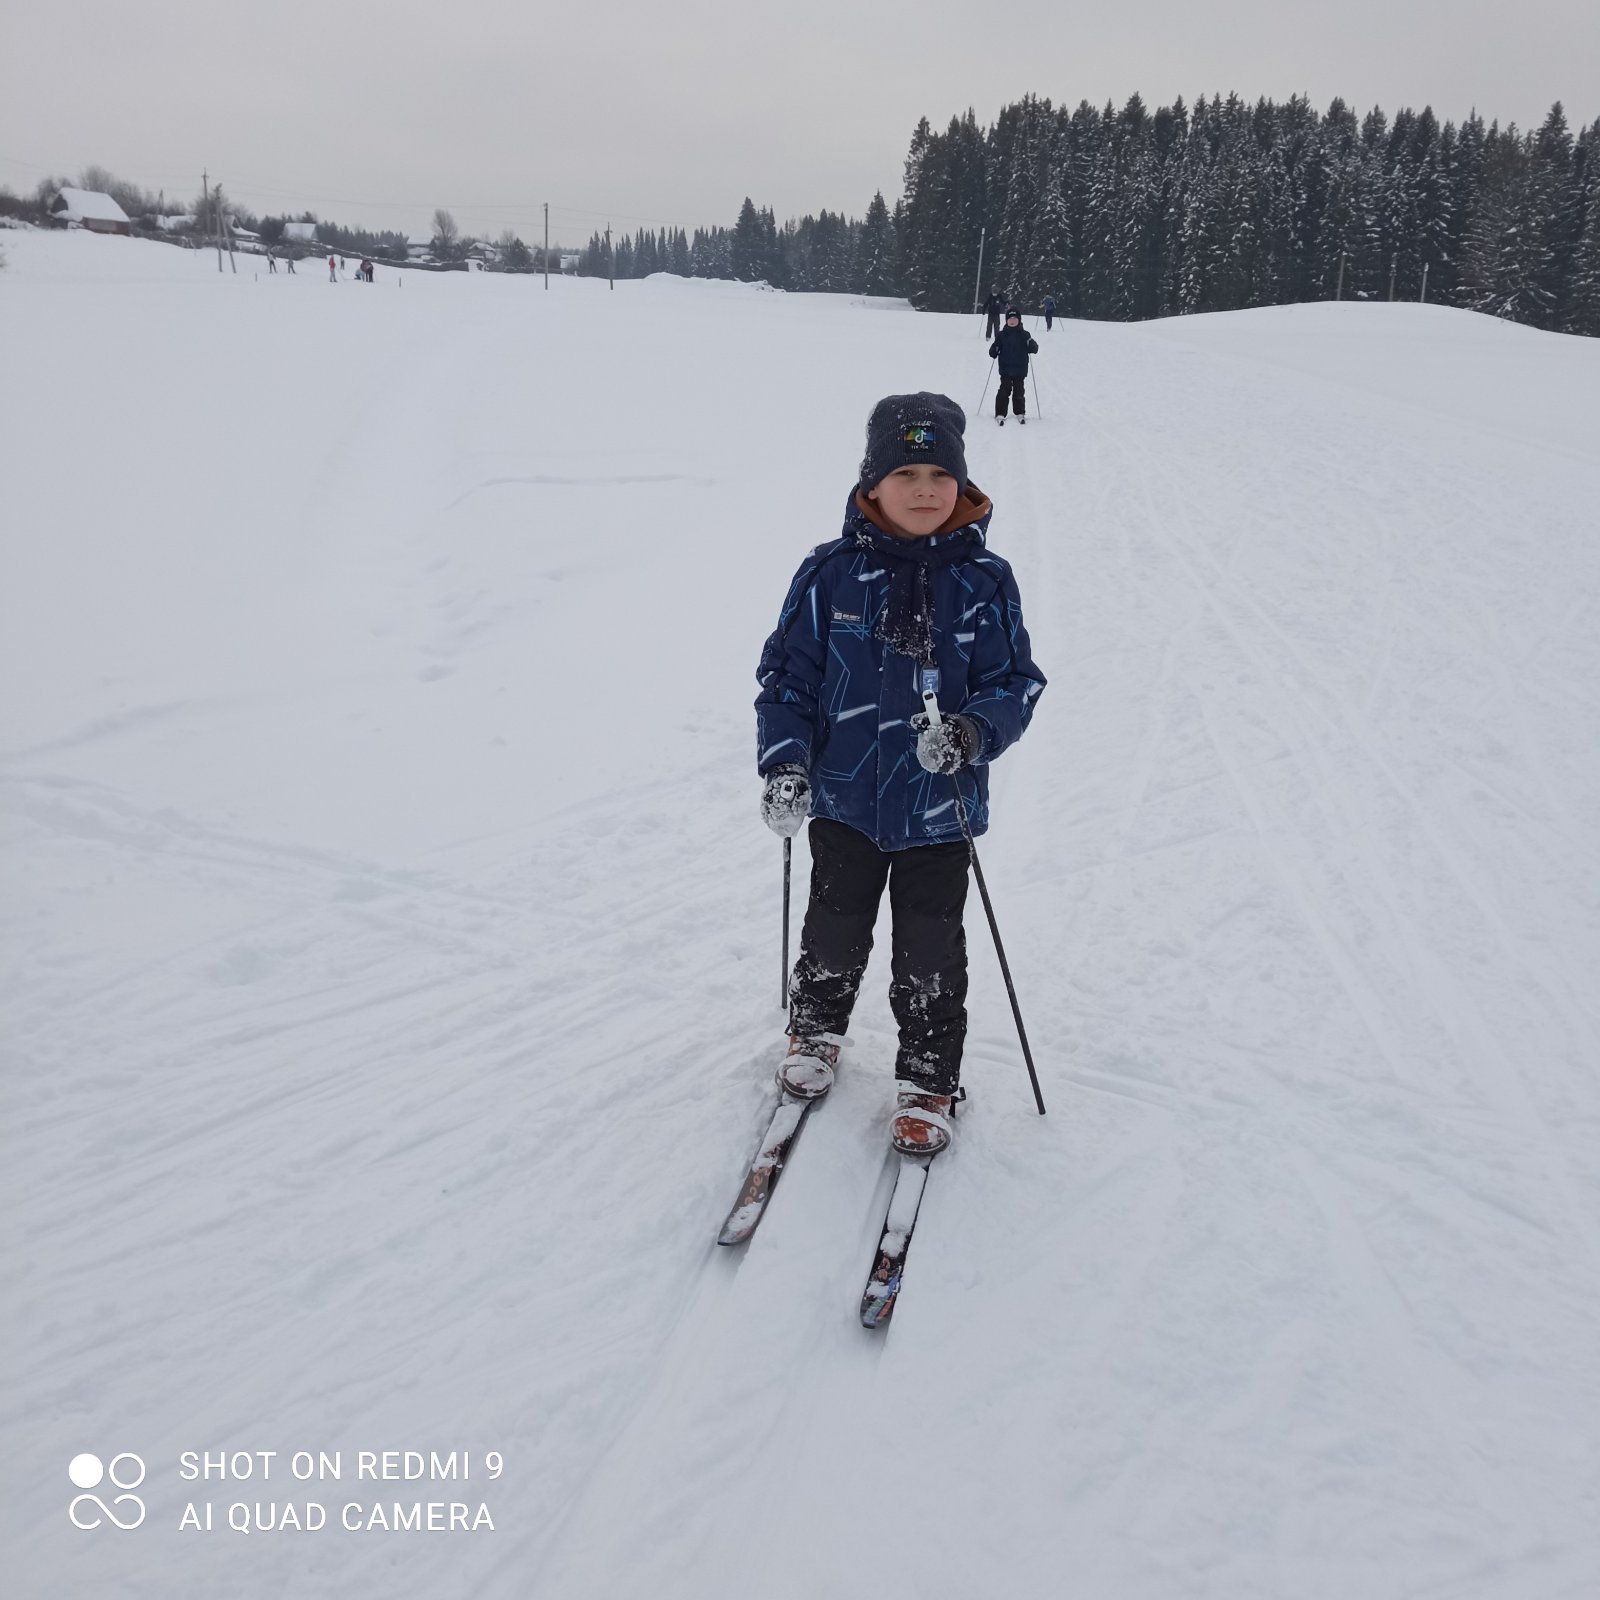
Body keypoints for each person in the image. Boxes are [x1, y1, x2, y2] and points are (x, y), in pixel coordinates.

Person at [755, 393, 1046, 1155]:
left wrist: (974, 731)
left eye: (939, 473)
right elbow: (786, 680)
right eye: (906, 472)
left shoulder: (984, 580)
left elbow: (1015, 682)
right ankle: (814, 1032)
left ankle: (928, 1075)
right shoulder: (829, 574)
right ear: (872, 484)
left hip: (937, 808)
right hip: (846, 800)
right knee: (834, 928)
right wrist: (786, 763)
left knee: (930, 947)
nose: (924, 489)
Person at [989, 308, 1038, 425]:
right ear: (1006, 320)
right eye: (1010, 318)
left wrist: (1032, 346)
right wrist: (994, 350)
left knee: (1019, 391)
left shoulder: (1024, 334)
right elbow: (994, 348)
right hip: (1005, 368)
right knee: (1004, 390)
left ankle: (1020, 412)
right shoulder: (1001, 335)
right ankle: (1000, 413)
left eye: (1015, 318)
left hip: (1020, 369)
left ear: (1019, 320)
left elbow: (1034, 347)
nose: (1012, 320)